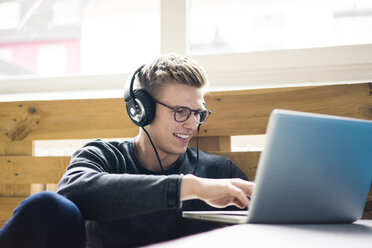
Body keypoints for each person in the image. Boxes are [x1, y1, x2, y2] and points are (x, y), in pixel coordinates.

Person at [0, 54, 253, 248]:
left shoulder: (219, 173)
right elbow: (73, 192)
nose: (191, 124)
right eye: (180, 112)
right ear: (142, 110)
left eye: (198, 113)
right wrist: (191, 187)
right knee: (47, 205)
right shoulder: (102, 155)